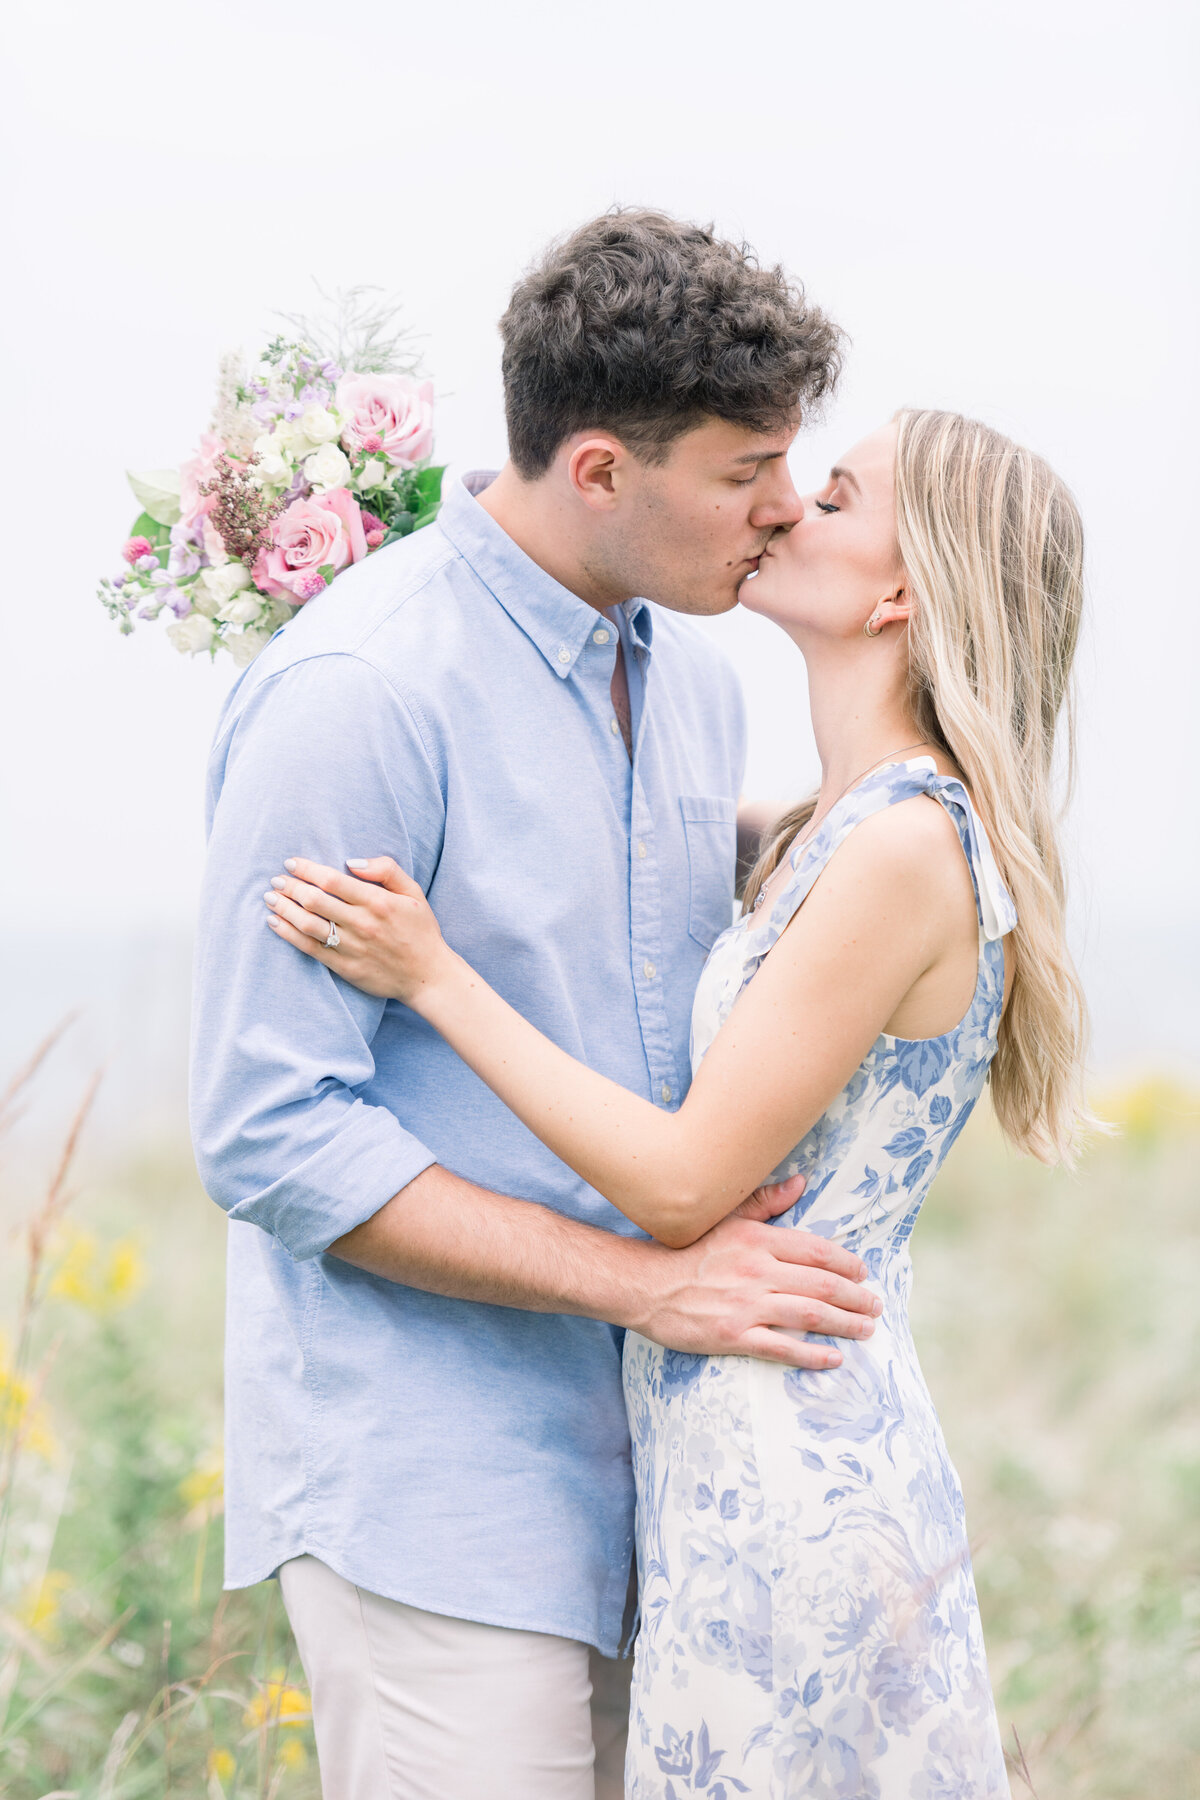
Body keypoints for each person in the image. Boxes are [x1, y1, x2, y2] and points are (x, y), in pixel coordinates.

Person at [265, 406, 1092, 1797]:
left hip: (791, 1454)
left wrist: (434, 978)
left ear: (901, 593)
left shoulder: (899, 846)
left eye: (828, 496)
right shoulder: (835, 823)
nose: (777, 507)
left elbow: (680, 1185)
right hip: (732, 1440)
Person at [190, 209, 882, 1799]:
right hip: (430, 1488)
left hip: (673, 1471)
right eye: (741, 471)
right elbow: (271, 1137)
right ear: (595, 471)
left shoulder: (700, 680)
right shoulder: (359, 693)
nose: (783, 509)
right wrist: (648, 1288)